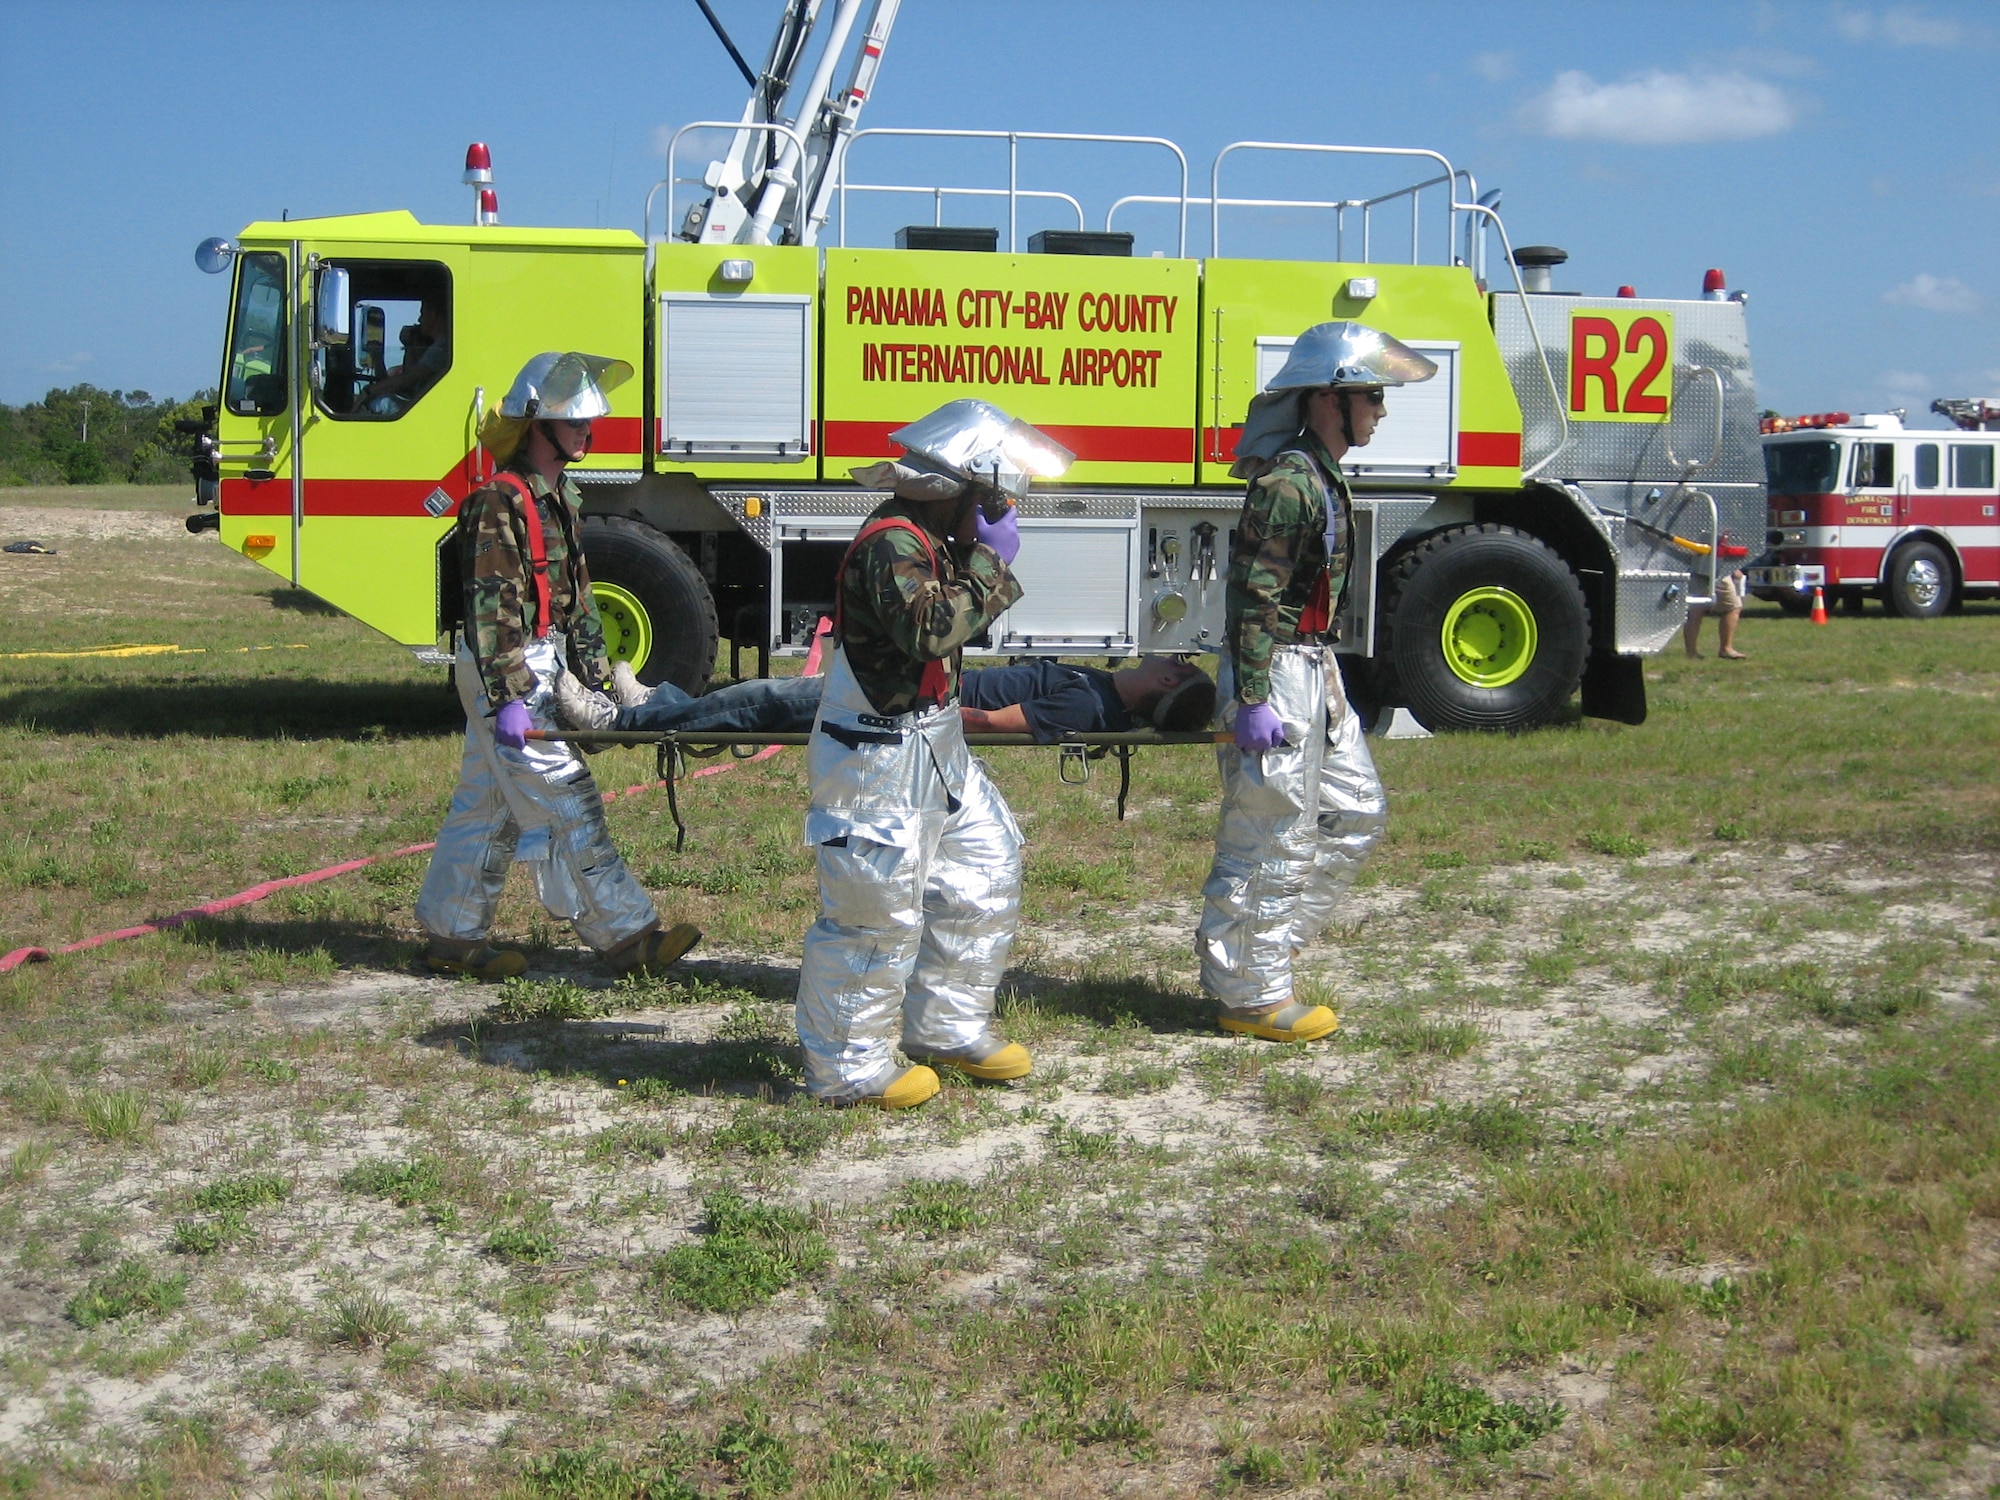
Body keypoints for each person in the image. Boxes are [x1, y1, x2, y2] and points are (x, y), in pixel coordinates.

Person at [794, 399, 1071, 1109]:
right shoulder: (893, 541)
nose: (1003, 508)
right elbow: (931, 631)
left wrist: (976, 557)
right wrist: (991, 562)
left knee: (985, 865)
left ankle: (944, 1026)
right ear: (964, 489)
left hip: (932, 739)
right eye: (993, 495)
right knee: (873, 912)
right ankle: (848, 1071)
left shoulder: (928, 537)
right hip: (876, 758)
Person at [412, 351, 702, 982]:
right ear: (534, 424)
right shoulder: (497, 500)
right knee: (570, 799)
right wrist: (511, 694)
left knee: (486, 806)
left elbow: (577, 592)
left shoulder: (561, 495)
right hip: (505, 664)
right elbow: (491, 603)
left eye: (588, 422)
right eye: (573, 422)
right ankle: (627, 936)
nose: (586, 432)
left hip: (533, 658)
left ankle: (450, 933)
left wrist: (600, 674)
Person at [1197, 322, 1436, 1042]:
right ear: (1331, 401)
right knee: (1271, 834)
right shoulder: (1288, 483)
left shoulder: (1318, 476)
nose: (1381, 413)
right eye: (1372, 398)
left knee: (1355, 811)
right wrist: (1252, 696)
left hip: (1310, 665)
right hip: (1275, 669)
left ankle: (1260, 952)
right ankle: (1252, 996)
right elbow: (1252, 597)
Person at [551, 652, 1216, 740]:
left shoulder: (1089, 708)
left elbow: (991, 723)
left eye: (1174, 662)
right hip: (908, 682)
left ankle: (620, 720)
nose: (1163, 653)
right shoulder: (1099, 688)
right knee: (766, 695)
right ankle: (655, 700)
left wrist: (918, 704)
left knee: (764, 700)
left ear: (1165, 682)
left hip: (902, 699)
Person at [355, 299, 449, 416]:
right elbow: (405, 384)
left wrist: (369, 391)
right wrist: (408, 347)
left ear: (433, 315)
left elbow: (408, 379)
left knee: (381, 404)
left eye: (422, 314)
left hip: (432, 413)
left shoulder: (442, 347)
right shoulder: (439, 346)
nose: (420, 320)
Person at [1683, 564, 1748, 659]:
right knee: (1697, 609)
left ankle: (1693, 652)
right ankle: (1693, 652)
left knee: (1696, 609)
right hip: (1709, 567)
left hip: (1710, 567)